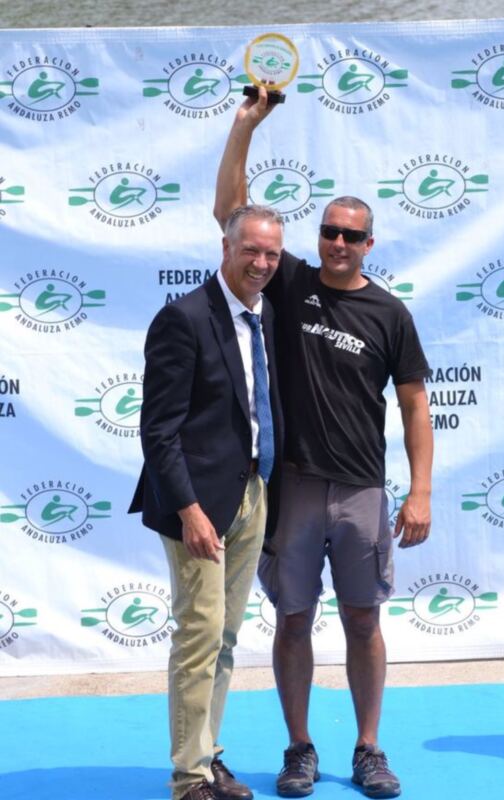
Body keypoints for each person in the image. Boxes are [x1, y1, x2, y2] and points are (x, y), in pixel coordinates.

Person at [214, 89, 433, 799]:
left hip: (364, 491)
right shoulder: (289, 285)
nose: (338, 243)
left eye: (352, 235)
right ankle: (300, 748)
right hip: (296, 487)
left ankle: (369, 748)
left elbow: (414, 404)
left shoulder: (389, 313)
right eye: (330, 232)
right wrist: (245, 126)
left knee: (365, 619)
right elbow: (232, 214)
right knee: (294, 619)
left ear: (370, 243)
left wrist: (421, 490)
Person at [129, 205, 285, 800]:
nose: (263, 263)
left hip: (252, 492)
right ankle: (188, 777)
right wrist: (190, 510)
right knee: (199, 634)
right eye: (252, 251)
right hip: (197, 504)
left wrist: (264, 487)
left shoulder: (264, 318)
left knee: (224, 637)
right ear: (226, 247)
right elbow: (158, 431)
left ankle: (208, 753)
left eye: (271, 254)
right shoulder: (184, 319)